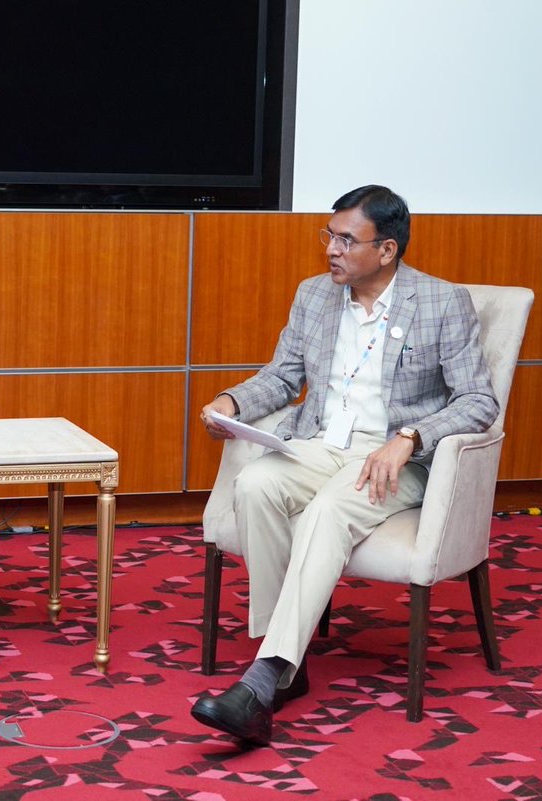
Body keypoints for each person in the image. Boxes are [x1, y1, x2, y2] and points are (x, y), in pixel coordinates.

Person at [189, 185, 498, 746]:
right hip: (319, 442)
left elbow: (478, 401)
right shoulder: (314, 296)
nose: (331, 249)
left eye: (345, 240)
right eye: (328, 236)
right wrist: (230, 403)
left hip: (390, 457)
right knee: (255, 483)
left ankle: (261, 682)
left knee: (329, 510)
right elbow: (282, 376)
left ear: (386, 250)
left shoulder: (441, 302)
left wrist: (410, 437)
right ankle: (288, 665)